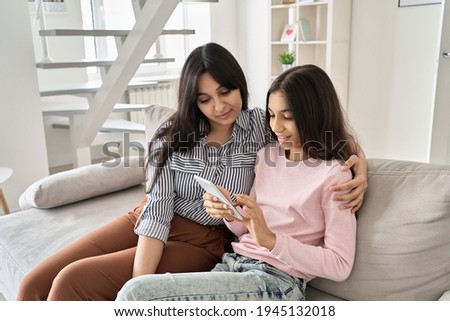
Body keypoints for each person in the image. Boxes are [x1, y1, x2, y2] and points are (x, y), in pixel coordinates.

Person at [17, 43, 365, 301]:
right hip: (153, 219)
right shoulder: (172, 137)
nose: (219, 106)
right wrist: (142, 284)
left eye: (226, 91)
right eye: (204, 99)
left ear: (239, 86)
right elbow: (156, 215)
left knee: (71, 281)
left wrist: (358, 167)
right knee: (34, 284)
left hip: (207, 238)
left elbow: (321, 129)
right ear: (192, 101)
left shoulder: (261, 126)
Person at [116, 64, 358, 301]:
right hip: (234, 264)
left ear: (315, 114)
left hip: (278, 281)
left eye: (288, 117)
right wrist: (230, 211)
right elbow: (245, 229)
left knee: (137, 292)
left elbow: (340, 265)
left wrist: (272, 241)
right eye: (271, 115)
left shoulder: (334, 176)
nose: (276, 127)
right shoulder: (268, 155)